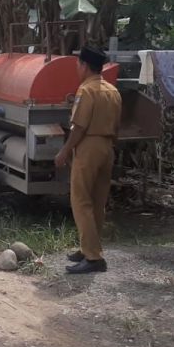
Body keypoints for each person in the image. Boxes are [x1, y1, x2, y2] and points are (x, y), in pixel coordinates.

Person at [54, 46, 122, 274]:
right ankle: (89, 249)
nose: (76, 68)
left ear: (84, 66)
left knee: (81, 200)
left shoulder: (86, 90)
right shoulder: (112, 90)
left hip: (89, 146)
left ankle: (93, 258)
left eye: (77, 64)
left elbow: (79, 126)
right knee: (97, 202)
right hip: (107, 147)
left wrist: (65, 150)